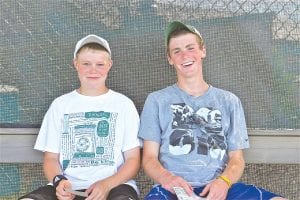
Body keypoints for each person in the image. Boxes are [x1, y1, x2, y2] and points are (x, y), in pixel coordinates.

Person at [138, 21, 286, 200]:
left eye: (190, 48)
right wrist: (167, 178)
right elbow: (149, 158)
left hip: (218, 187)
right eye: (177, 51)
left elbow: (237, 159)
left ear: (203, 51)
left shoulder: (229, 101)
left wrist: (224, 181)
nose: (185, 55)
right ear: (170, 58)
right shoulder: (157, 100)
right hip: (172, 189)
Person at [19, 34, 141, 200]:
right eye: (86, 64)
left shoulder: (124, 105)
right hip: (69, 188)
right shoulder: (60, 105)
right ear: (76, 64)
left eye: (100, 64)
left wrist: (106, 184)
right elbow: (51, 158)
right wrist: (59, 181)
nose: (93, 70)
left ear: (109, 65)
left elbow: (133, 160)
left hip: (115, 186)